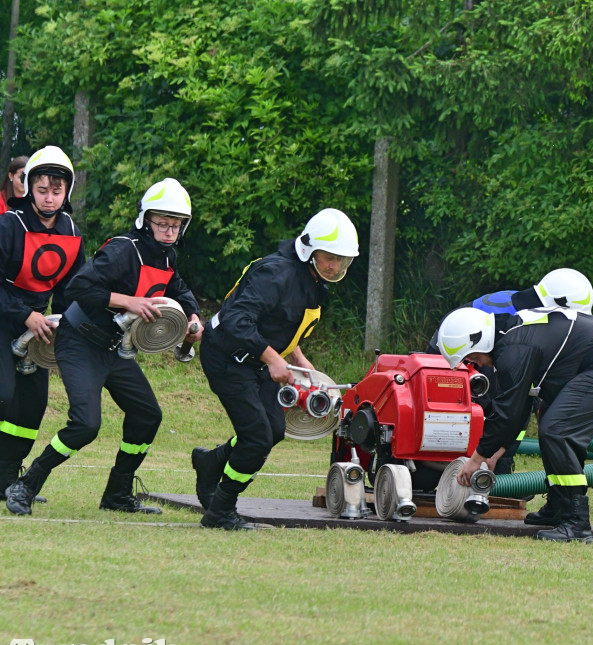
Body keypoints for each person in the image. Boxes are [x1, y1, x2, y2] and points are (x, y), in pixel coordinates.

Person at [5, 178, 203, 516]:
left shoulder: (166, 257)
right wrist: (131, 301)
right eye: (162, 223)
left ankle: (117, 493)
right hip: (78, 341)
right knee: (86, 425)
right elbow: (80, 287)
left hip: (113, 348)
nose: (169, 231)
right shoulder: (124, 248)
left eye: (176, 225)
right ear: (146, 219)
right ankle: (25, 486)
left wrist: (193, 318)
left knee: (147, 415)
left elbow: (180, 291)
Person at [191, 208, 359, 530]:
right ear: (309, 250)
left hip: (254, 359)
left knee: (274, 432)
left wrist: (298, 359)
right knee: (256, 438)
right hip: (227, 356)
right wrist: (272, 359)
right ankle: (221, 512)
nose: (335, 266)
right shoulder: (275, 274)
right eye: (329, 257)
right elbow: (235, 320)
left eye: (342, 260)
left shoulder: (310, 277)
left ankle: (210, 462)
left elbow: (278, 321)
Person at [441, 306, 593, 543]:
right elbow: (521, 404)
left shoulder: (513, 349)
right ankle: (559, 506)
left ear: (480, 341)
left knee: (557, 431)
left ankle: (576, 522)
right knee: (550, 421)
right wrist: (496, 452)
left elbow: (508, 412)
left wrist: (477, 458)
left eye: (474, 357)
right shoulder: (508, 336)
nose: (478, 364)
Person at [425, 267, 593, 475]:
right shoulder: (523, 323)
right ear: (559, 306)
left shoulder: (522, 302)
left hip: (451, 347)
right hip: (465, 353)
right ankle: (491, 468)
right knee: (502, 406)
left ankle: (485, 464)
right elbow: (514, 402)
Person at [0, 147, 84, 501]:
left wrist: (63, 326)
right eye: (42, 189)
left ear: (67, 191)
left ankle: (7, 481)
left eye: (57, 190)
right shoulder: (8, 224)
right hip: (7, 319)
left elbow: (70, 292)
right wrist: (25, 315)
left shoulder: (72, 232)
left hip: (37, 328)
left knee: (30, 407)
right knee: (3, 393)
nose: (50, 198)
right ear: (29, 188)